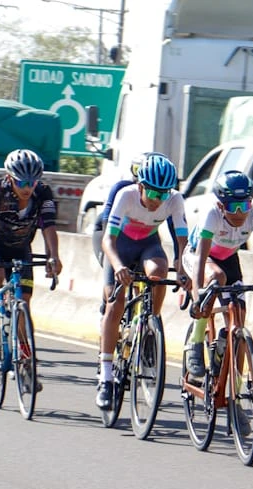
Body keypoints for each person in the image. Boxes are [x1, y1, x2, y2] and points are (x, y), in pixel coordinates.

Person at [96, 153, 189, 410]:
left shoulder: (174, 199)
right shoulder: (125, 195)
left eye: (164, 193)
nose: (158, 200)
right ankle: (105, 378)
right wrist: (118, 266)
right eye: (153, 193)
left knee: (159, 272)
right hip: (121, 245)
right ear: (140, 186)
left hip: (148, 244)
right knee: (115, 302)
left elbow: (182, 239)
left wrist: (182, 267)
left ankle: (149, 328)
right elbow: (108, 240)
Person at [183, 170, 253, 385]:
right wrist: (197, 298)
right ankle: (196, 341)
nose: (240, 213)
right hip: (199, 257)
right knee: (216, 277)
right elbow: (201, 259)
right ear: (221, 205)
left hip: (229, 259)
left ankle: (236, 389)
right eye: (233, 207)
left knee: (239, 318)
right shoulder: (212, 215)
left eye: (245, 205)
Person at [0, 149, 62, 354]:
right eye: (22, 183)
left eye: (32, 183)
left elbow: (49, 226)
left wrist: (54, 256)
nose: (27, 188)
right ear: (9, 178)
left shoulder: (43, 193)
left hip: (21, 247)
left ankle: (24, 354)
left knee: (24, 301)